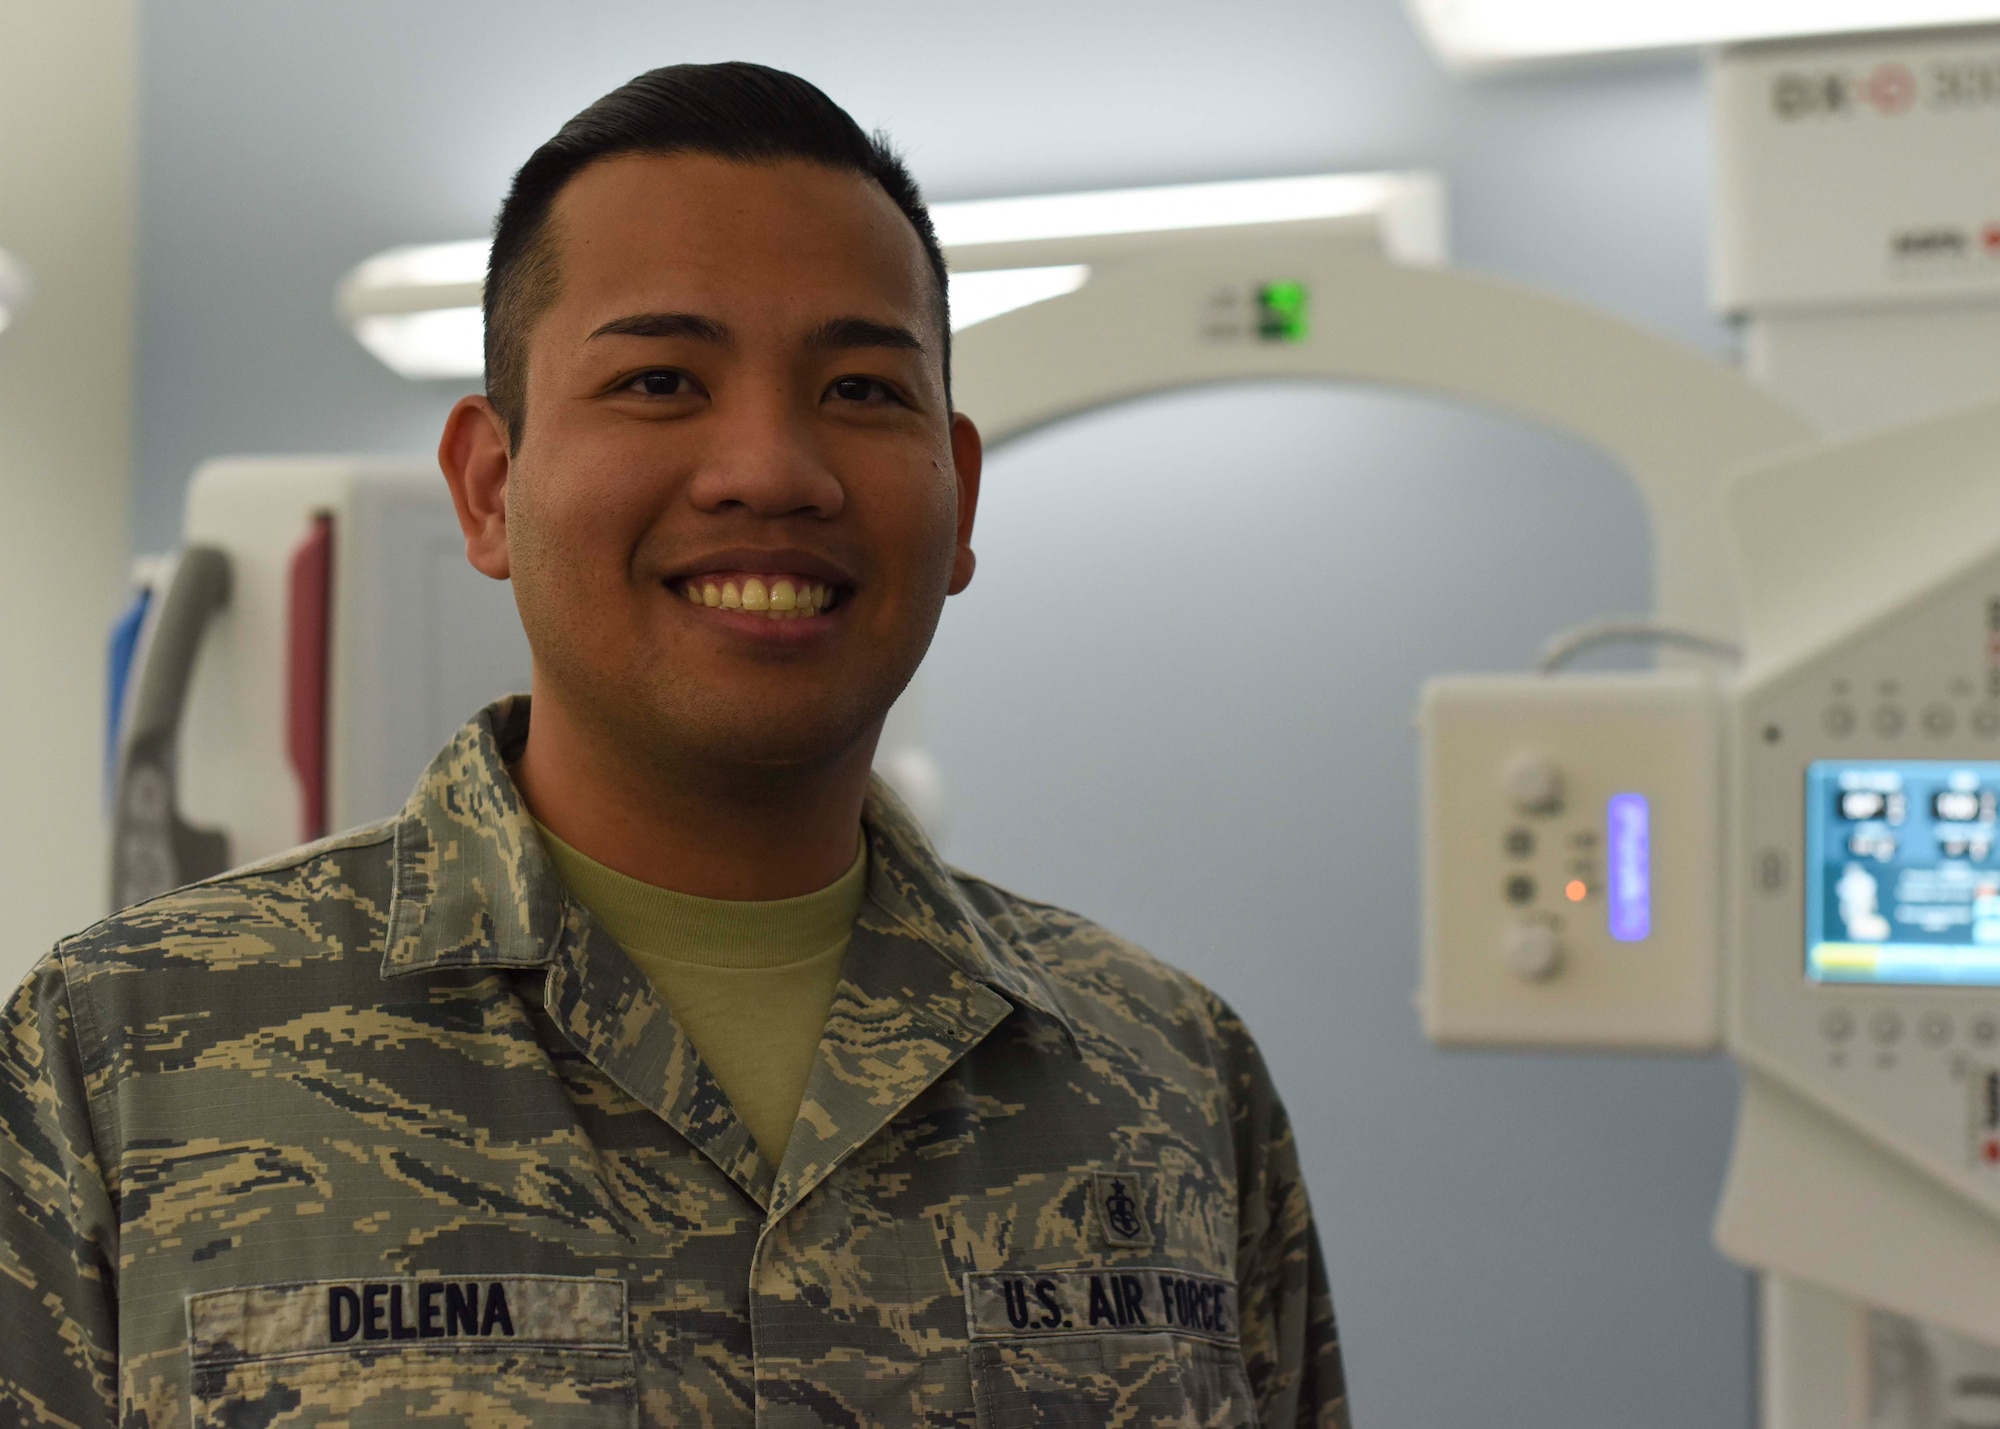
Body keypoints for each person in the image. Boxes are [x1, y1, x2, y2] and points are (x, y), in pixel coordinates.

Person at [0, 63, 1349, 1427]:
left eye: (863, 391)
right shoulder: (125, 1058)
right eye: (659, 379)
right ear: (487, 487)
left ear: (961, 494)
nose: (771, 466)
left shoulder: (1169, 1080)